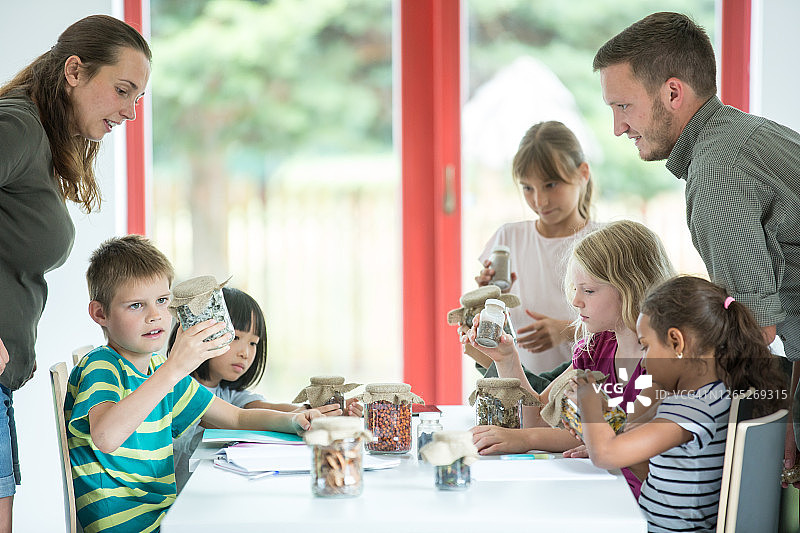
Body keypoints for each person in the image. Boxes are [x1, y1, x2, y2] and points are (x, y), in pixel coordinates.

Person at [592, 11, 799, 482]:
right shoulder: (744, 135)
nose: (618, 127)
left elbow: (752, 331)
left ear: (672, 93)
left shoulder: (716, 173)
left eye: (623, 106)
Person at [0, 14, 151, 530]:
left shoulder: (37, 139)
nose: (131, 111)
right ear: (74, 72)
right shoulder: (17, 125)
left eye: (138, 98)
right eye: (122, 90)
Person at [64, 235, 321, 532]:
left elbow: (235, 416)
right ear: (100, 314)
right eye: (136, 305)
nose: (155, 316)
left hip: (166, 518)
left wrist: (294, 420)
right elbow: (106, 437)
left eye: (162, 301)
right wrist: (174, 368)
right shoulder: (102, 366)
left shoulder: (158, 370)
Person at [465, 220, 675, 498]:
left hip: (643, 505)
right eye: (575, 289)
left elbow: (625, 443)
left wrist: (525, 439)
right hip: (600, 491)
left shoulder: (665, 361)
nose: (576, 301)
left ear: (631, 288)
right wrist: (507, 359)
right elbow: (542, 416)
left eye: (588, 290)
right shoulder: (596, 347)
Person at [568, 275, 788, 532]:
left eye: (646, 347)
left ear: (676, 342)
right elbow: (652, 465)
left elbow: (606, 455)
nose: (644, 362)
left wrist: (588, 403)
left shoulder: (689, 408)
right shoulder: (719, 393)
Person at [169, 286, 362, 492]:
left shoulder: (229, 394)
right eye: (236, 338)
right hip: (179, 505)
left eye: (253, 343)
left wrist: (325, 411)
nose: (245, 353)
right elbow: (241, 418)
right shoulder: (179, 387)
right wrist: (302, 416)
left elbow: (264, 408)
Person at [474, 121, 601, 376]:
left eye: (551, 184)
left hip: (589, 390)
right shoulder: (508, 238)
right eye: (528, 188)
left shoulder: (603, 242)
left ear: (582, 173)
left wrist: (566, 331)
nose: (539, 201)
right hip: (522, 388)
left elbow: (630, 326)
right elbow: (487, 331)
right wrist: (490, 300)